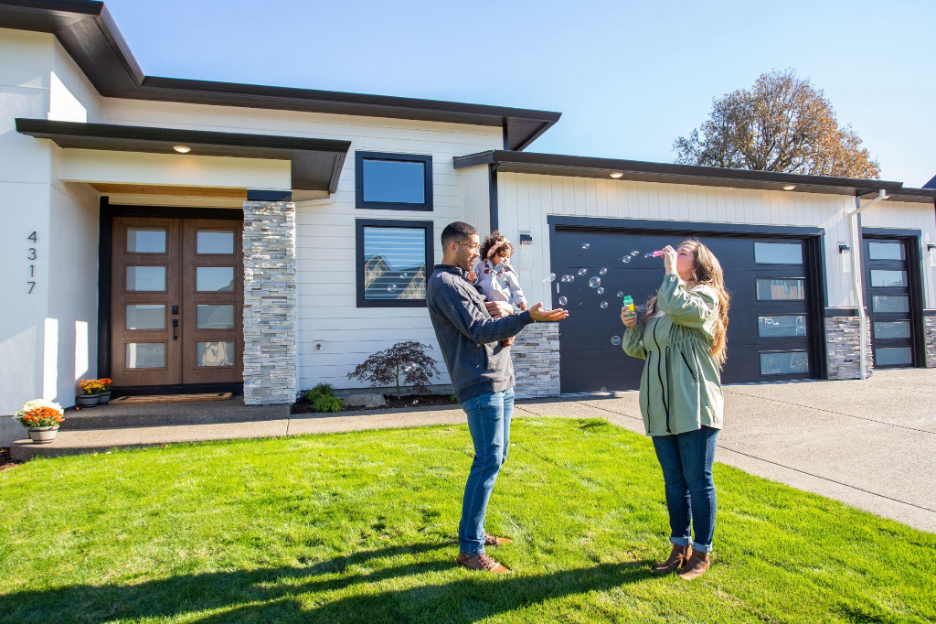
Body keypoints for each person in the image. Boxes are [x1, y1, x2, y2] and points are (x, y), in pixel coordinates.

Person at [426, 221, 568, 574]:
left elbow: (486, 317)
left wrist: (506, 312)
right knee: (487, 461)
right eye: (473, 246)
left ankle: (474, 531)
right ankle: (470, 550)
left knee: (496, 458)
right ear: (454, 246)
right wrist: (527, 318)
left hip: (501, 379)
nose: (479, 252)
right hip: (480, 382)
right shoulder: (445, 284)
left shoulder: (464, 281)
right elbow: (478, 331)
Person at [619, 240, 730, 581]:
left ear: (698, 263)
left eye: (682, 252)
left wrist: (669, 273)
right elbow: (639, 350)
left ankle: (702, 553)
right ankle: (678, 547)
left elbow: (685, 310)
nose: (673, 254)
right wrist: (633, 325)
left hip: (693, 402)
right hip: (659, 407)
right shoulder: (659, 303)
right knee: (673, 482)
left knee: (699, 481)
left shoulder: (705, 295)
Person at [473, 231, 527, 348]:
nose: (505, 259)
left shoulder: (507, 271)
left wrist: (520, 301)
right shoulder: (481, 267)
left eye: (508, 257)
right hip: (485, 303)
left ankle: (508, 338)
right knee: (489, 323)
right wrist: (472, 279)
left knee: (503, 322)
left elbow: (515, 288)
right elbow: (475, 280)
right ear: (491, 253)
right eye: (502, 256)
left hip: (502, 304)